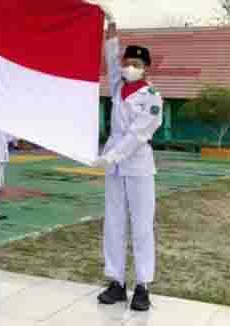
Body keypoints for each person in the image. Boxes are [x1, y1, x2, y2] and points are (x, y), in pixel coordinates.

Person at [94, 19, 163, 311]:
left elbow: (138, 134)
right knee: (114, 222)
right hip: (115, 165)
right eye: (127, 61)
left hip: (137, 165)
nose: (128, 66)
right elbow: (110, 62)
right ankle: (116, 282)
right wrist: (111, 38)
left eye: (135, 62)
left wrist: (112, 155)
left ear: (145, 67)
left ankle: (143, 286)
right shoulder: (117, 85)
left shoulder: (151, 98)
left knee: (142, 225)